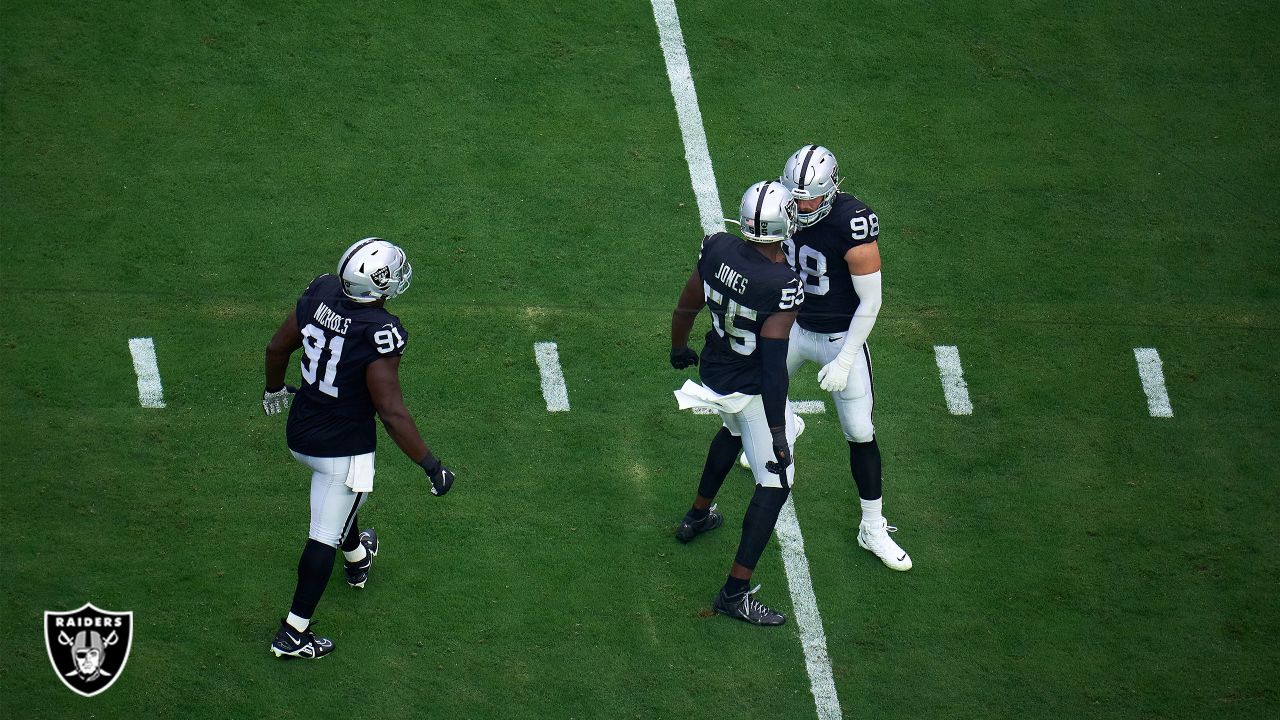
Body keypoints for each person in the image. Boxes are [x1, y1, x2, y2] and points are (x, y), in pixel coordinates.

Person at [261, 237, 456, 659]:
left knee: (340, 504)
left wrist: (274, 388)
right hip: (342, 448)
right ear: (377, 285)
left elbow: (277, 347)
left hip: (300, 431)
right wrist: (431, 465)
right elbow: (390, 412)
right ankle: (294, 633)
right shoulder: (380, 332)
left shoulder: (321, 292)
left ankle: (357, 556)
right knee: (322, 535)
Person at [669, 181, 805, 626]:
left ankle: (697, 514)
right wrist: (780, 433)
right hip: (748, 387)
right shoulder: (783, 283)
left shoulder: (717, 247)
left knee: (729, 431)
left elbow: (686, 304)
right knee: (776, 484)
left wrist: (678, 348)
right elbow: (772, 365)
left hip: (713, 370)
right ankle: (735, 591)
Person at [777, 144, 912, 571]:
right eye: (795, 197)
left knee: (859, 430)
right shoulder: (780, 207)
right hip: (796, 327)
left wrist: (846, 358)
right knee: (754, 390)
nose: (801, 205)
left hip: (839, 336)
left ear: (831, 190)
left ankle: (871, 526)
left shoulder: (852, 224)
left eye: (810, 197)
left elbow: (871, 302)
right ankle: (790, 425)